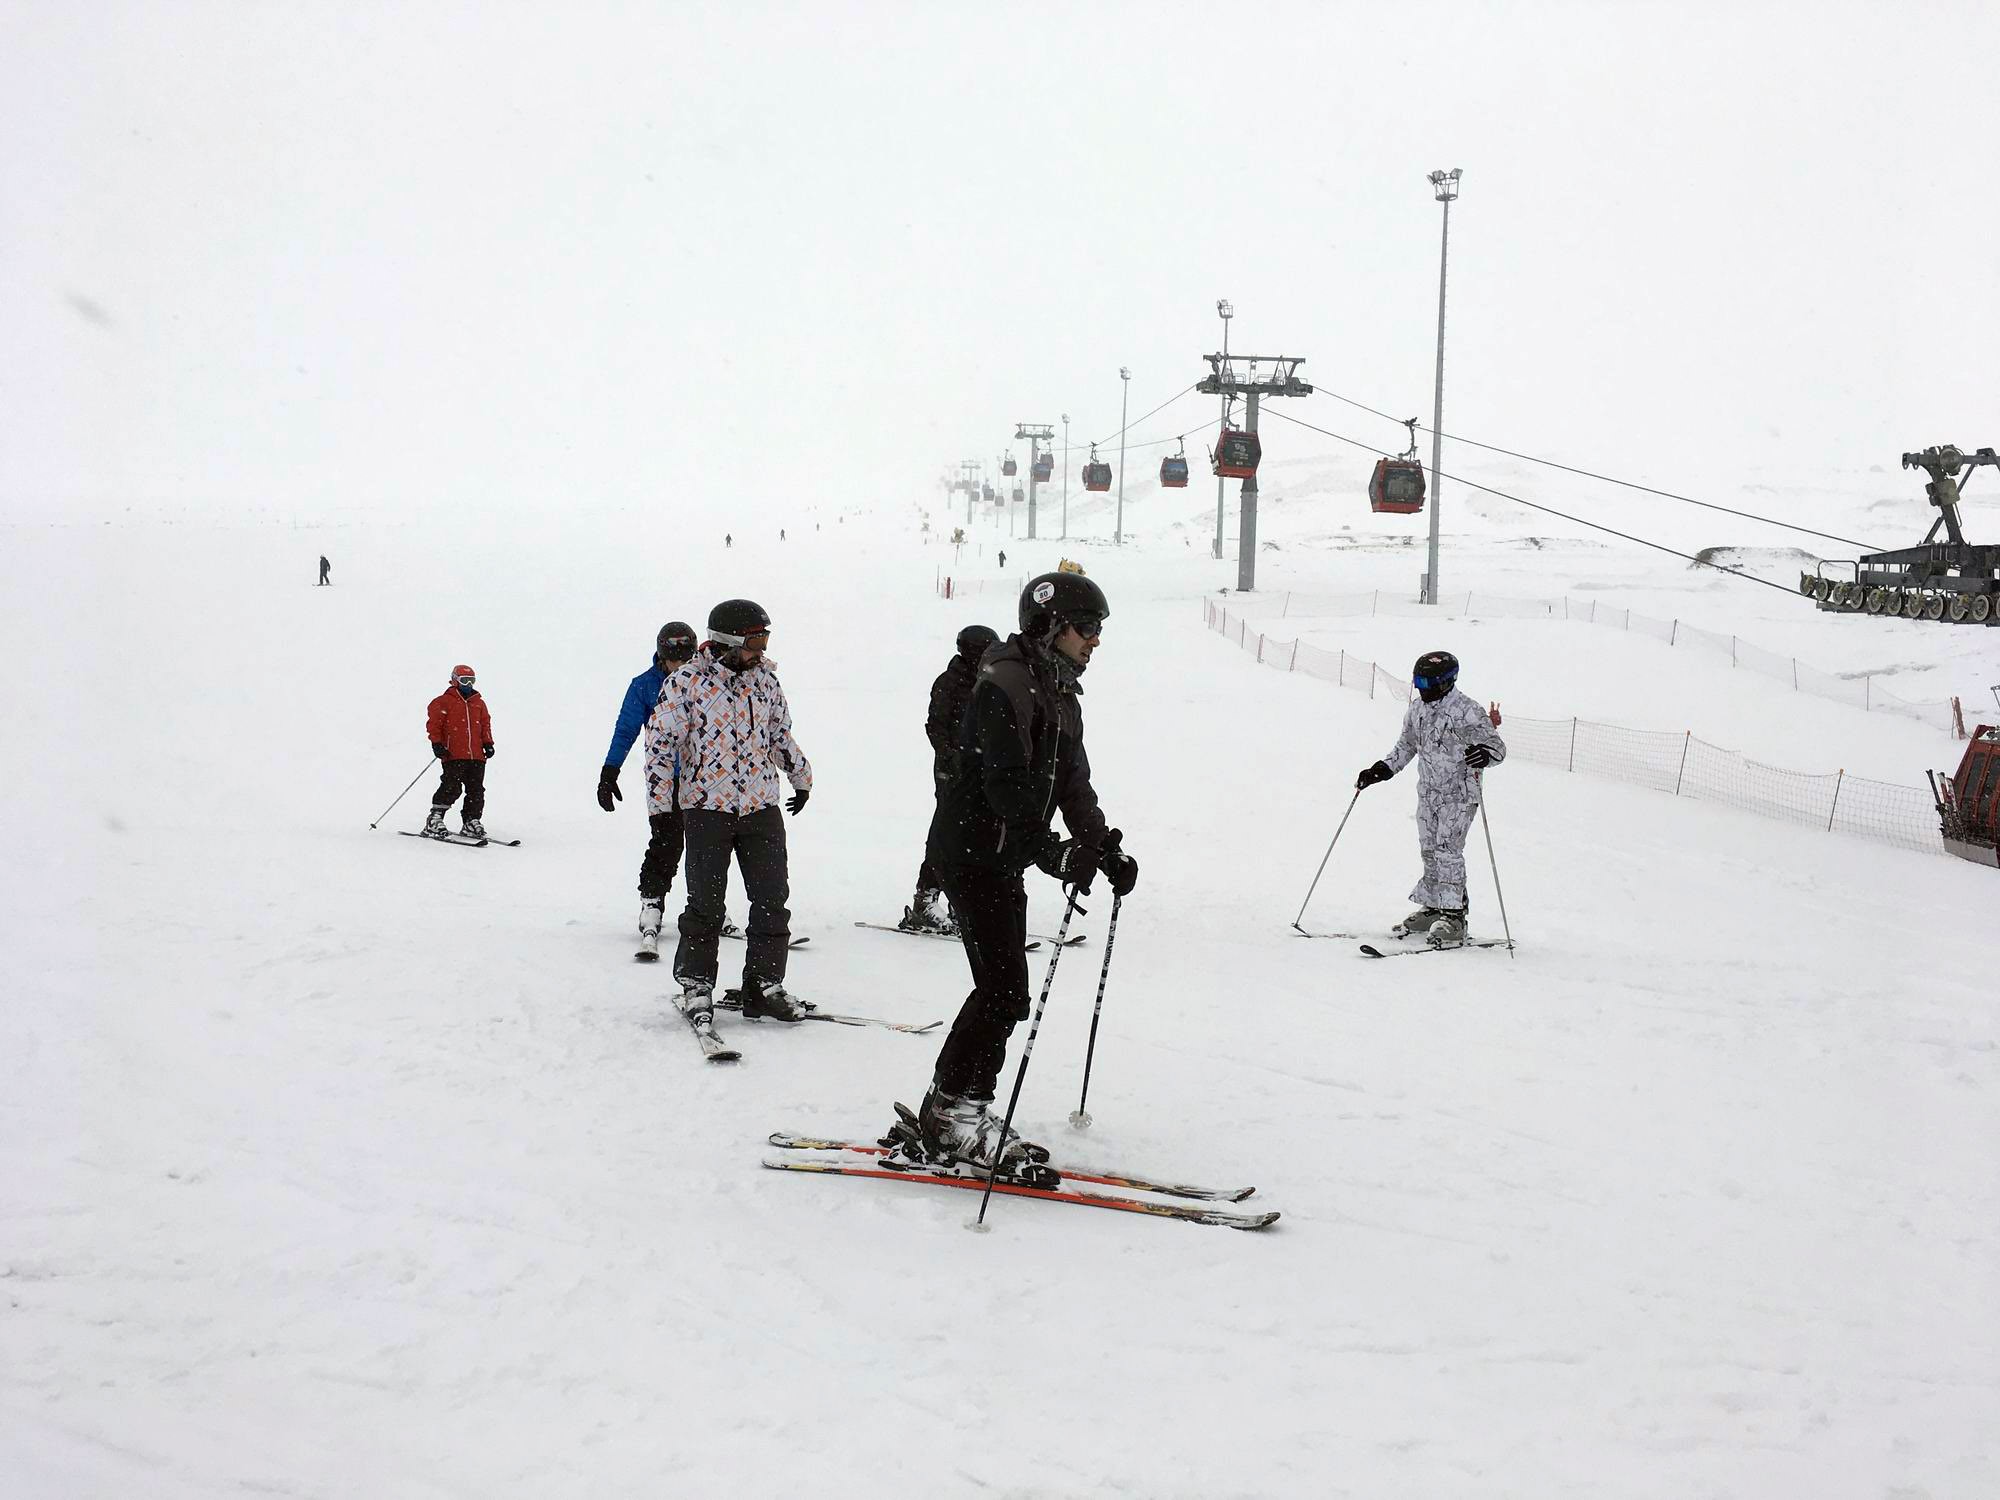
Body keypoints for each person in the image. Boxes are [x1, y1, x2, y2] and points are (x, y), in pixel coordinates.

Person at [881, 573, 1138, 1181]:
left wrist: (1101, 849)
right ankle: (953, 1115)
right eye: (1089, 628)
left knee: (1004, 990)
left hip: (999, 855)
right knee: (1003, 990)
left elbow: (1072, 782)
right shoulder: (1005, 685)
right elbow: (1008, 788)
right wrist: (1053, 854)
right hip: (971, 852)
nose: (1096, 641)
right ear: (1053, 626)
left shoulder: (1058, 690)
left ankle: (958, 1107)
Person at [646, 599, 813, 1027]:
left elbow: (778, 735)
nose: (761, 649)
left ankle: (763, 986)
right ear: (728, 640)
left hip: (760, 807)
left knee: (772, 900)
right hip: (706, 809)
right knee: (706, 905)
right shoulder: (687, 683)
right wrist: (661, 807)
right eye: (755, 640)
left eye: (765, 639)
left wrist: (801, 776)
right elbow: (660, 748)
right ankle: (697, 985)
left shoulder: (766, 683)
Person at [1354, 650, 1506, 945]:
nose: (1422, 688)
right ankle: (1434, 906)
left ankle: (1453, 916)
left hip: (1460, 794)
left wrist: (1485, 754)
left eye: (1427, 681)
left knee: (1448, 850)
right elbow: (1406, 746)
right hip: (1428, 793)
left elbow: (1497, 748)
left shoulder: (1467, 711)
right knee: (1429, 849)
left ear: (1447, 682)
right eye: (1418, 681)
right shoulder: (1417, 710)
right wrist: (1383, 769)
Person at [601, 623, 700, 955]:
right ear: (661, 655)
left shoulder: (708, 682)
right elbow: (626, 728)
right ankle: (652, 904)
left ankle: (708, 907)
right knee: (666, 843)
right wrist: (609, 770)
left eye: (685, 659)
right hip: (664, 780)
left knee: (708, 846)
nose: (679, 667)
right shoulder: (644, 686)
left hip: (706, 781)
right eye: (673, 660)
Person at [898, 624, 999, 935]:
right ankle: (925, 900)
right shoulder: (950, 683)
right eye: (986, 652)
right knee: (946, 832)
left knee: (976, 835)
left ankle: (962, 900)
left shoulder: (991, 681)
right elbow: (935, 725)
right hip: (953, 772)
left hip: (982, 770)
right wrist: (949, 755)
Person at [424, 665, 495, 838]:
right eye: (464, 681)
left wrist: (488, 743)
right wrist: (437, 743)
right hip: (453, 753)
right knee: (451, 786)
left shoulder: (478, 703)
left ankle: (471, 821)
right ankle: (435, 818)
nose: (468, 684)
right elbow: (434, 724)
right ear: (455, 680)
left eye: (471, 681)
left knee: (476, 789)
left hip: (477, 755)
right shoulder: (443, 702)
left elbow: (485, 724)